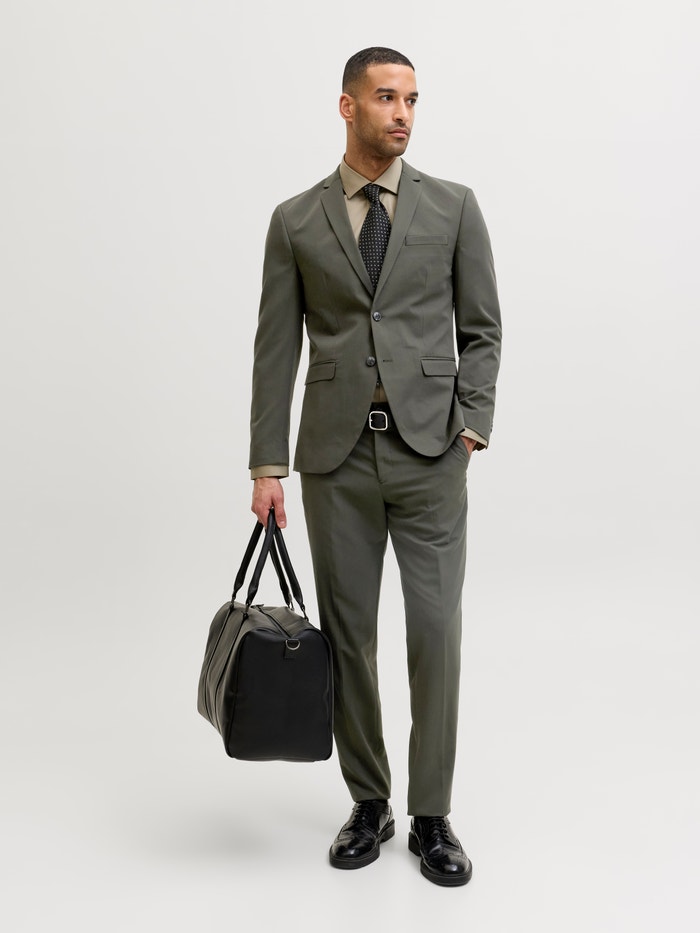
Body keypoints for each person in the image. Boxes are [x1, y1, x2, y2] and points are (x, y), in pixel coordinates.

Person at [248, 47, 501, 887]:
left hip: (432, 454)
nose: (403, 114)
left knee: (435, 632)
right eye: (387, 98)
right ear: (348, 106)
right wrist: (267, 464)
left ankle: (432, 813)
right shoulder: (295, 220)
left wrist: (471, 426)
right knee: (349, 637)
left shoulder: (454, 206)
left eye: (413, 100)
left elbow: (483, 329)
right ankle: (369, 800)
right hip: (336, 458)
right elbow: (275, 348)